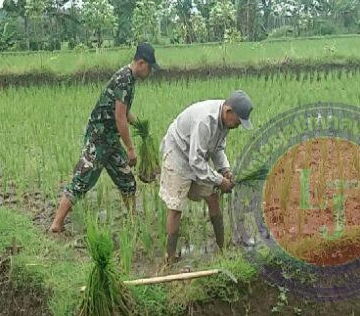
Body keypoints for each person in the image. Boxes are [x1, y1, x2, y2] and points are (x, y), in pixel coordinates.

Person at [49, 43, 160, 233]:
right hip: (98, 139)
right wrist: (131, 149)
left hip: (110, 140)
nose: (150, 72)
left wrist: (140, 126)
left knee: (126, 179)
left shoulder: (129, 79)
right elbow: (119, 117)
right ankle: (56, 224)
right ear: (141, 63)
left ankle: (133, 221)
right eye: (149, 68)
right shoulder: (124, 79)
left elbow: (125, 113)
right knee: (82, 180)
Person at [159, 90, 253, 263]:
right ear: (228, 112)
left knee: (212, 196)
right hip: (178, 155)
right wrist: (219, 180)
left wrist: (225, 170)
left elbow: (217, 149)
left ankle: (222, 248)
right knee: (176, 205)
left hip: (195, 156)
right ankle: (170, 257)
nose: (238, 125)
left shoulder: (225, 123)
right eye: (239, 121)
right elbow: (196, 162)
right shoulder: (205, 121)